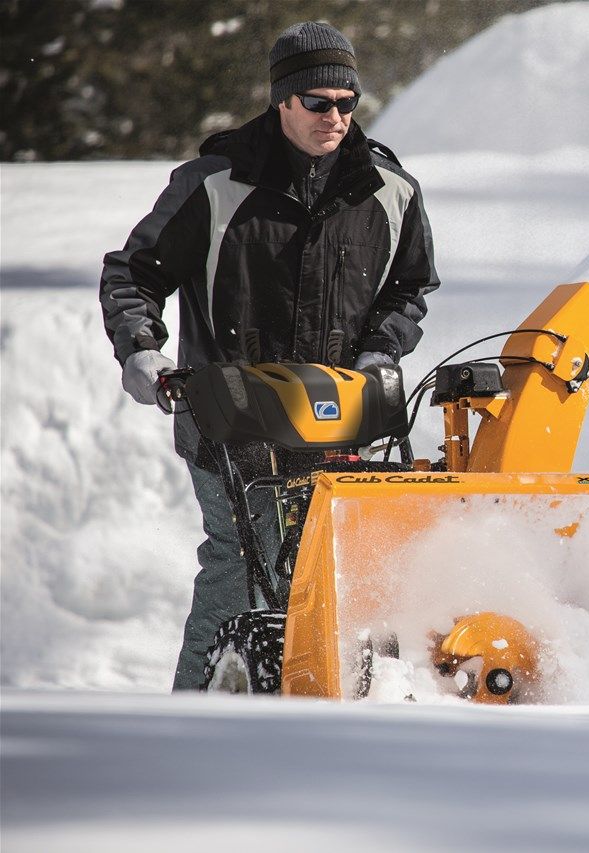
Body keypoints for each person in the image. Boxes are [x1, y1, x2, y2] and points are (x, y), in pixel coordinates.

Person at [100, 21, 440, 691]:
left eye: (347, 103)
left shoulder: (390, 191)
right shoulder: (215, 185)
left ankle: (341, 708)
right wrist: (142, 351)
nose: (335, 117)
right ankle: (198, 707)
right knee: (239, 562)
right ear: (281, 100)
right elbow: (133, 273)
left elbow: (409, 289)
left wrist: (379, 352)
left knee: (343, 569)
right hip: (231, 413)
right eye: (318, 102)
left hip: (340, 415)